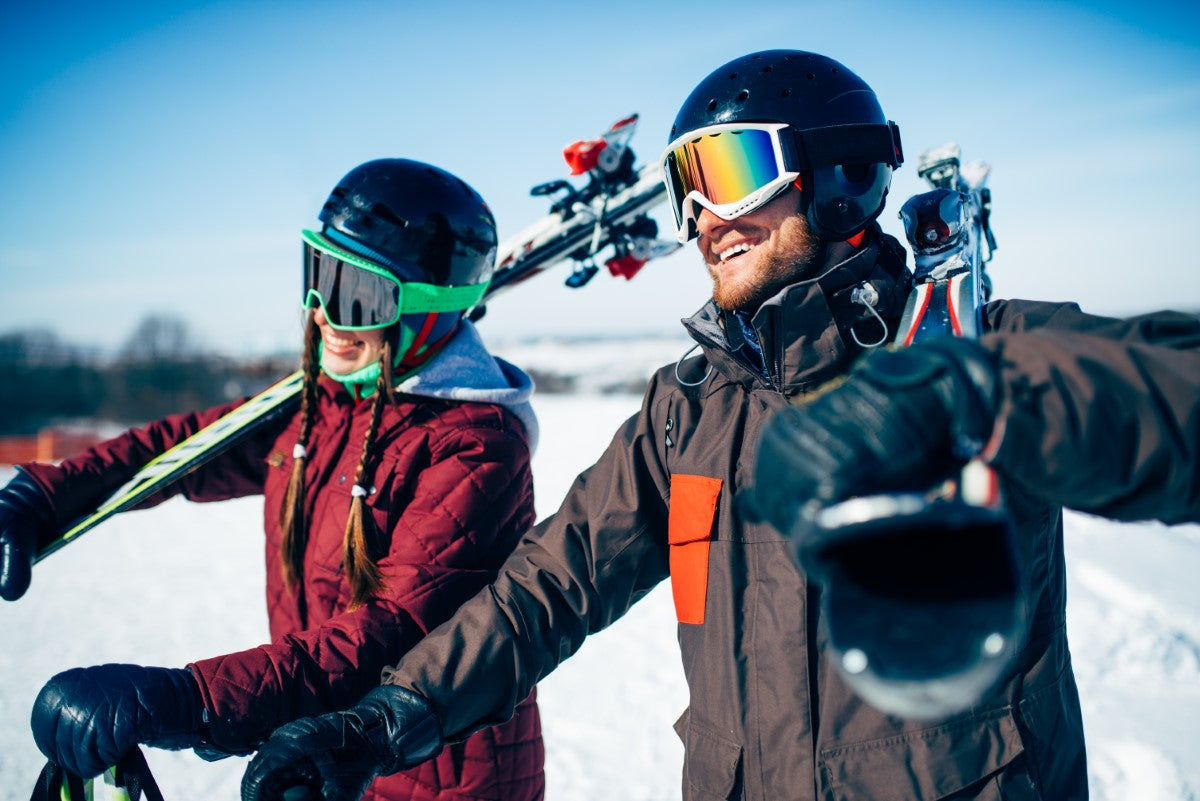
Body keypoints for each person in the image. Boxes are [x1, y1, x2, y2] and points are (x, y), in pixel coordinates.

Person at [239, 51, 1200, 801]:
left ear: (836, 175)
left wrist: (984, 399)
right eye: (682, 185)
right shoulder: (688, 412)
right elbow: (545, 588)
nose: (702, 217)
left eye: (729, 172)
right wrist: (392, 715)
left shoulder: (980, 346)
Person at [7, 159, 546, 800]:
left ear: (428, 311)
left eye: (356, 295)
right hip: (327, 753)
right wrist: (45, 492)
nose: (322, 314)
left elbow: (396, 633)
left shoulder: (476, 446)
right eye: (316, 277)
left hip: (439, 776)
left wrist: (189, 699)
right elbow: (187, 447)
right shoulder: (327, 402)